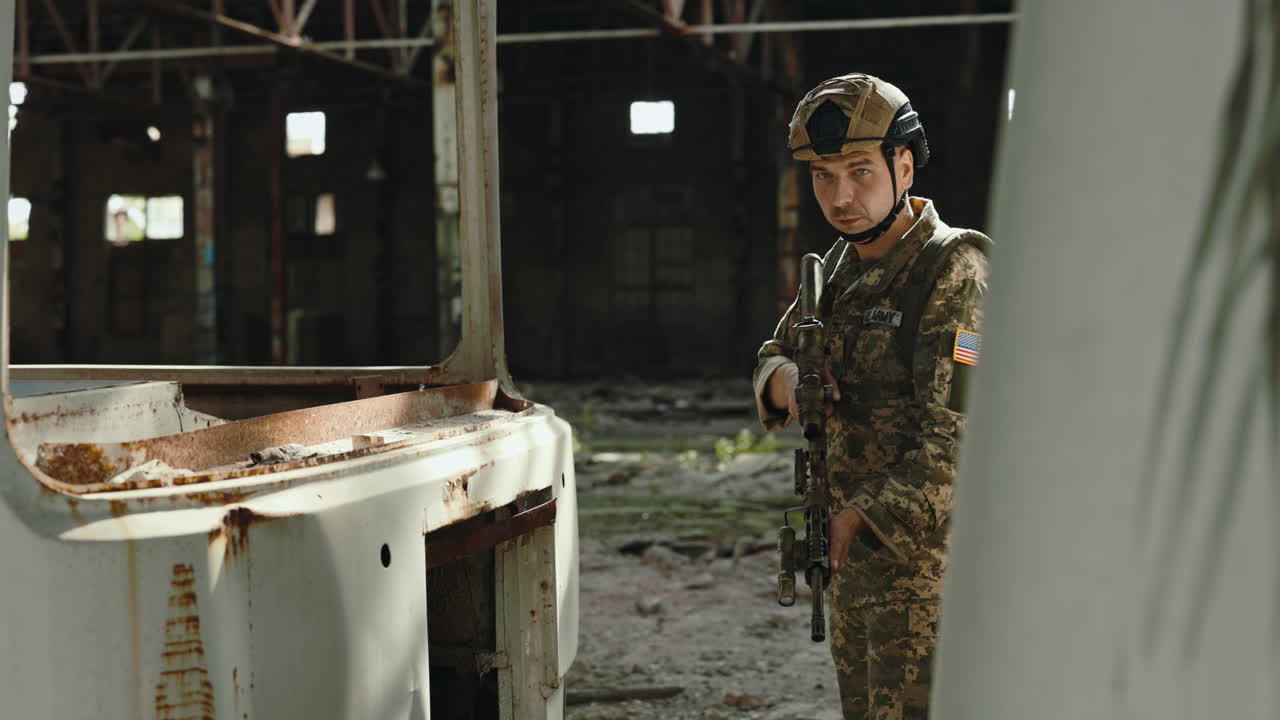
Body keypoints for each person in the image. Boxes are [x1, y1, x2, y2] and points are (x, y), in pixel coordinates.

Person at [752, 72, 991, 719]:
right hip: (853, 559)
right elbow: (775, 353)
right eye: (823, 176)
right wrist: (785, 384)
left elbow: (959, 436)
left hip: (925, 571)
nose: (840, 195)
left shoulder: (952, 268)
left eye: (859, 171)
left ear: (903, 165)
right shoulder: (836, 270)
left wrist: (861, 517)